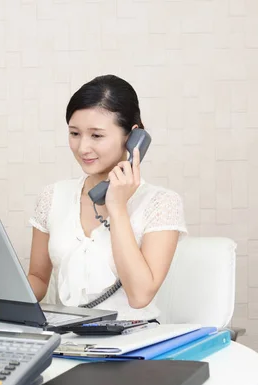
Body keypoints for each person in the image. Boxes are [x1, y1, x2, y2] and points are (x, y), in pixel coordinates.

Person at [27, 74, 187, 321]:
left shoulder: (162, 203)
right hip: (65, 339)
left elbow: (140, 295)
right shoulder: (52, 196)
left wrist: (117, 206)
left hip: (135, 343)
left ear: (133, 137)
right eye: (74, 133)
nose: (82, 148)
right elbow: (37, 279)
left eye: (97, 136)